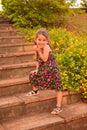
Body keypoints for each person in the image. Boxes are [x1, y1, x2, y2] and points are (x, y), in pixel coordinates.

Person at [27, 28, 63, 114]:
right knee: (32, 74)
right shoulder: (37, 48)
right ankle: (35, 90)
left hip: (52, 70)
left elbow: (45, 59)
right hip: (45, 69)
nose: (41, 42)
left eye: (44, 40)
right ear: (36, 40)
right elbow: (37, 60)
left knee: (58, 87)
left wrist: (39, 51)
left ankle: (59, 107)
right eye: (39, 39)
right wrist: (37, 69)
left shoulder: (46, 47)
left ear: (47, 41)